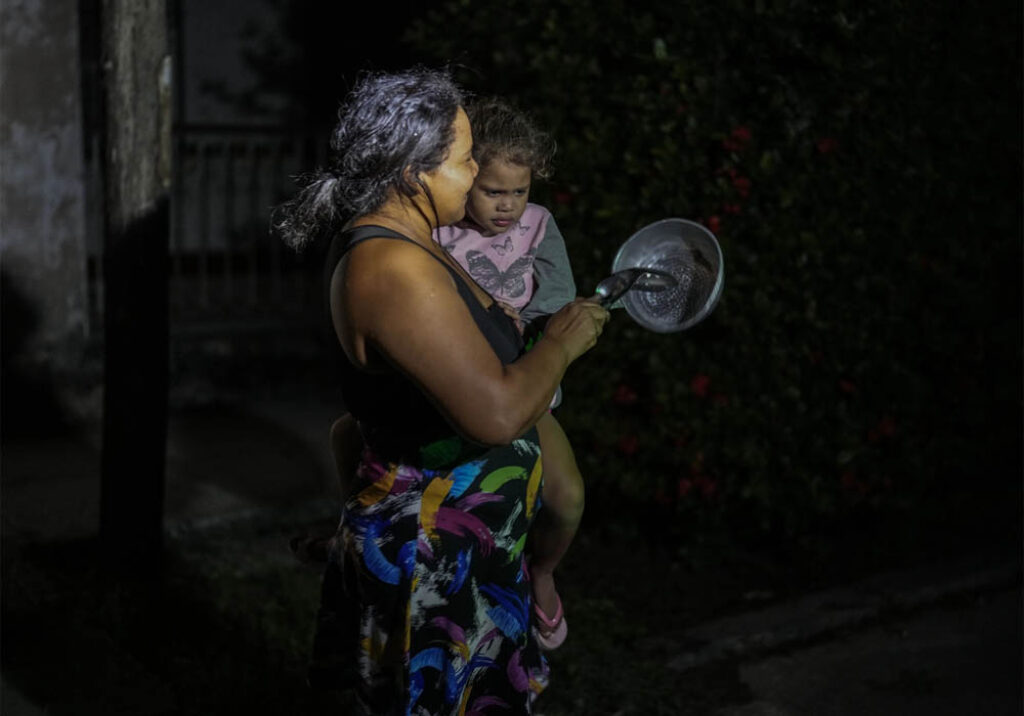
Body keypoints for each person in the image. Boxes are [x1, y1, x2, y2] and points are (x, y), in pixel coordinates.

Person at [275, 68, 608, 714]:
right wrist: (559, 345)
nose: (473, 169)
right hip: (439, 558)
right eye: (463, 160)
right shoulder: (392, 267)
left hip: (467, 546)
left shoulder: (411, 240)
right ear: (412, 173)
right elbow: (499, 414)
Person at [434, 97, 582, 652]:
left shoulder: (540, 226)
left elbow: (560, 298)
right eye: (494, 192)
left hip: (528, 393)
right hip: (460, 392)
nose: (507, 207)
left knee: (567, 499)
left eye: (518, 192)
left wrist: (538, 326)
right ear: (467, 178)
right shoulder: (442, 231)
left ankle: (542, 573)